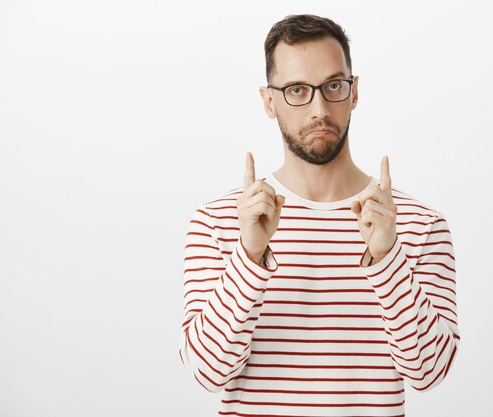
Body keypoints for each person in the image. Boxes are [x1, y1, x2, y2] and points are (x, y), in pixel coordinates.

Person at [178, 13, 460, 416]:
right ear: (268, 101)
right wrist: (249, 257)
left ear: (354, 91)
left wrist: (388, 259)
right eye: (296, 90)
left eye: (333, 86)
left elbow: (429, 374)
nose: (319, 109)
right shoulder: (220, 221)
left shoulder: (416, 224)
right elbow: (207, 372)